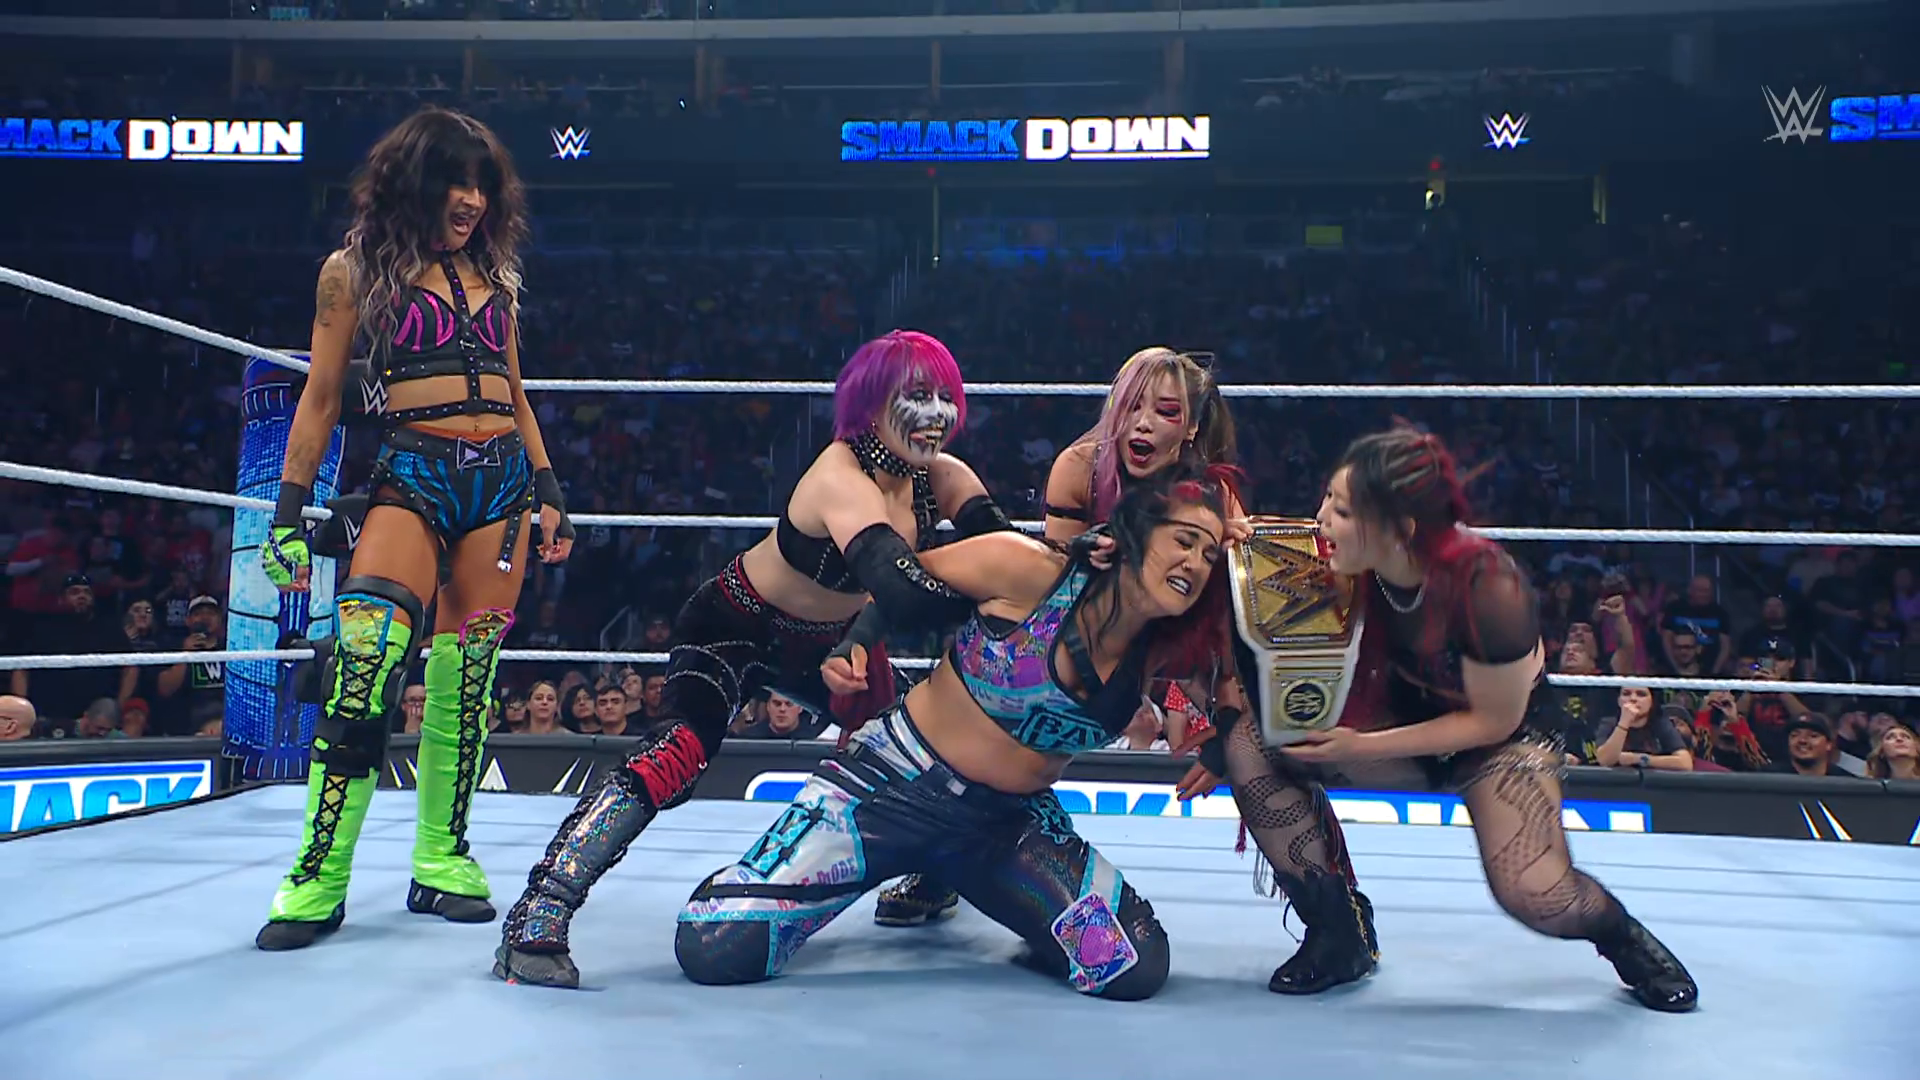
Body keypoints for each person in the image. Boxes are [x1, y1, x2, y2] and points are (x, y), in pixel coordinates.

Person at [494, 329, 1018, 988]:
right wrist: (974, 585)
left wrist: (1077, 558)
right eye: (917, 395)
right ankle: (540, 910)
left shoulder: (941, 478)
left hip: (833, 641)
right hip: (736, 625)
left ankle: (931, 876)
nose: (936, 413)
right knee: (677, 754)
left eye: (945, 396)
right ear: (872, 402)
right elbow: (902, 589)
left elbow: (1009, 558)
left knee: (922, 746)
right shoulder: (839, 476)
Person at [673, 460, 1241, 999]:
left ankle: (1003, 902)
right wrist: (854, 645)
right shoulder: (1029, 569)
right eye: (1184, 541)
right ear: (1138, 531)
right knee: (715, 944)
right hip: (891, 785)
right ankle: (771, 868)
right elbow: (908, 584)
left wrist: (1220, 748)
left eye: (1209, 553)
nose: (1194, 562)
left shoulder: (1164, 649)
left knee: (1131, 962)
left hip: (1005, 829)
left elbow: (1240, 682)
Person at [1217, 425, 1698, 1011]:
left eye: (1340, 510)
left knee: (1535, 893)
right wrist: (1231, 535)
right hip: (1399, 721)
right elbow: (1264, 561)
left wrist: (1357, 748)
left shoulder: (1488, 588)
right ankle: (1337, 934)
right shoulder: (1349, 557)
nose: (1320, 519)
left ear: (1400, 529)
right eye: (1327, 499)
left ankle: (1622, 937)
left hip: (1500, 742)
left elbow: (1492, 722)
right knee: (1254, 744)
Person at [254, 106, 575, 951]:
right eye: (454, 183)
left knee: (468, 679)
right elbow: (322, 398)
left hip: (501, 485)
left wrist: (548, 486)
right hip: (414, 475)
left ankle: (442, 859)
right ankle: (317, 876)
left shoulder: (495, 274)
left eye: (482, 185)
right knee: (363, 663)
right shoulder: (354, 271)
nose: (471, 200)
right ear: (415, 183)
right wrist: (287, 515)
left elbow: (515, 393)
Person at [874, 345, 1245, 928]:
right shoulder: (1080, 467)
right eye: (1131, 406)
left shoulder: (1210, 499)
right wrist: (1084, 549)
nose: (1143, 423)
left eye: (1165, 411)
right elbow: (1054, 589)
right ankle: (958, 839)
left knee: (1238, 725)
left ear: (1192, 427)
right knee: (1021, 684)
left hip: (1167, 640)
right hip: (1076, 625)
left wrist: (1192, 704)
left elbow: (1219, 621)